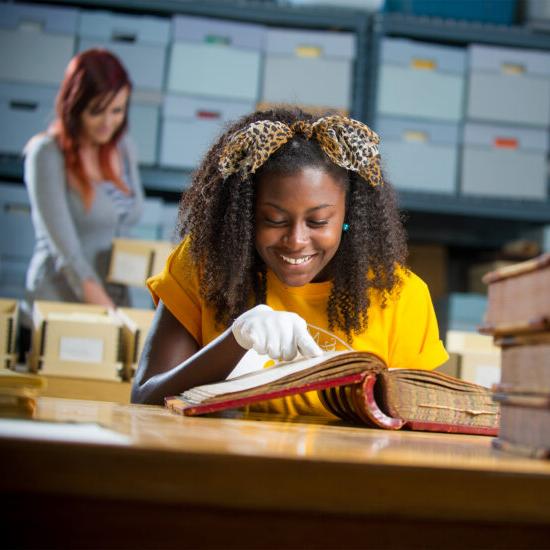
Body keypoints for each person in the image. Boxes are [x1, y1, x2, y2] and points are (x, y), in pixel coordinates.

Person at [131, 107, 448, 416]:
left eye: (319, 222)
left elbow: (420, 426)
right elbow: (145, 398)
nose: (296, 241)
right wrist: (235, 341)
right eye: (274, 220)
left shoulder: (401, 296)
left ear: (348, 216)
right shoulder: (206, 266)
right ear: (247, 216)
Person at [23, 48, 144, 319]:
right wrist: (112, 317)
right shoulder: (46, 154)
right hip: (61, 303)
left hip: (114, 300)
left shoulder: (123, 148)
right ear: (74, 106)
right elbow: (68, 257)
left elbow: (123, 229)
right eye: (96, 111)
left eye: (117, 111)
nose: (108, 122)